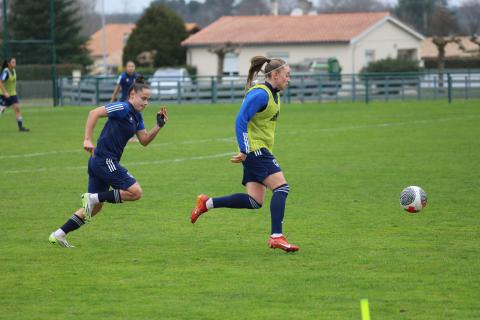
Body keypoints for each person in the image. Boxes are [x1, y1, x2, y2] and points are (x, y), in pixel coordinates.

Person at [190, 56, 299, 252]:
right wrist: (244, 149)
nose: (288, 79)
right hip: (256, 151)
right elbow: (240, 121)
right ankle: (277, 236)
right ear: (274, 75)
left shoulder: (274, 94)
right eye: (286, 75)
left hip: (258, 150)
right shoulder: (261, 94)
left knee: (254, 201)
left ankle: (206, 203)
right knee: (282, 188)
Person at [49, 79, 169, 247]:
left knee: (96, 208)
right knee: (136, 192)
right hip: (104, 160)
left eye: (148, 99)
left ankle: (59, 234)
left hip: (100, 161)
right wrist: (87, 139)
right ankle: (92, 198)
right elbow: (94, 113)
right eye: (143, 98)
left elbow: (144, 140)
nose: (146, 102)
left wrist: (158, 126)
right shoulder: (122, 107)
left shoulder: (137, 116)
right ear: (132, 94)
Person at [0, 57, 29, 131]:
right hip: (3, 95)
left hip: (13, 95)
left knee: (17, 109)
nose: (14, 64)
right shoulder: (6, 72)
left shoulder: (14, 70)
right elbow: (0, 82)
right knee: (1, 110)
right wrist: (5, 92)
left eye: (15, 62)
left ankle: (21, 127)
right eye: (13, 62)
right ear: (8, 64)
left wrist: (14, 91)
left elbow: (12, 83)